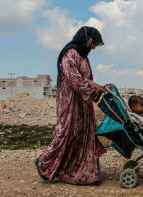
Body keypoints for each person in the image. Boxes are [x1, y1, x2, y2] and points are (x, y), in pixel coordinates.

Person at [35, 26, 110, 185]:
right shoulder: (69, 54)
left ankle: (78, 172)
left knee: (81, 136)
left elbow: (85, 79)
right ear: (87, 40)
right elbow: (75, 79)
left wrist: (100, 89)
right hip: (69, 103)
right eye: (94, 43)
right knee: (66, 135)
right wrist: (95, 87)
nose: (94, 47)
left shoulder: (84, 57)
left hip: (82, 104)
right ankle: (45, 164)